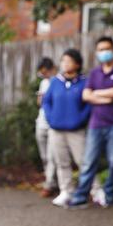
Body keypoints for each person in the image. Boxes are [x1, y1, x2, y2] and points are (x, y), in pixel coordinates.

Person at [68, 36, 113, 209]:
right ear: (97, 53)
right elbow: (85, 95)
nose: (104, 52)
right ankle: (81, 196)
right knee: (88, 161)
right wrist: (106, 97)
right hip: (96, 124)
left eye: (107, 49)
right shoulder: (95, 73)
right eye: (101, 49)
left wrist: (97, 95)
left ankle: (110, 195)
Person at [42, 49, 91, 208]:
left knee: (83, 161)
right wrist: (50, 118)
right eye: (63, 61)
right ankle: (66, 191)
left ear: (77, 64)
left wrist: (80, 119)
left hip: (76, 130)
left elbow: (89, 104)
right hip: (56, 129)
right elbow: (46, 102)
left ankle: (94, 190)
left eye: (69, 61)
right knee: (61, 162)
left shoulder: (84, 82)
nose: (65, 64)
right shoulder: (55, 82)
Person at [35, 57, 58, 197]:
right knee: (44, 156)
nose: (44, 75)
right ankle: (51, 181)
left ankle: (49, 184)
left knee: (51, 155)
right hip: (41, 122)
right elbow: (40, 102)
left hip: (53, 124)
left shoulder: (58, 82)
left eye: (45, 72)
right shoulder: (44, 83)